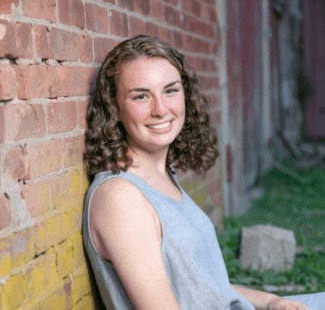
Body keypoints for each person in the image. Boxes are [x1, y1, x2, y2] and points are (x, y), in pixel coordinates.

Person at [82, 36, 324, 310]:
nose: (160, 110)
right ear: (114, 108)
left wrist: (273, 301)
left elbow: (206, 285)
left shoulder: (163, 177)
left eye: (170, 91)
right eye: (141, 96)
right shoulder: (120, 197)